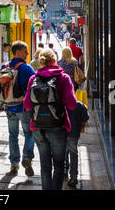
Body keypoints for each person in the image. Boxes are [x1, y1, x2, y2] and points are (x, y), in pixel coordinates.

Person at [24, 48, 77, 190]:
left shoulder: (33, 79)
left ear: (41, 62)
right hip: (58, 126)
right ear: (54, 61)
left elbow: (27, 104)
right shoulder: (64, 78)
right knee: (59, 165)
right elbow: (72, 104)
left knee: (45, 166)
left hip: (38, 127)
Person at [2, 40, 36, 176]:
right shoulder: (27, 69)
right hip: (23, 107)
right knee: (29, 133)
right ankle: (27, 157)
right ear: (17, 52)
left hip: (9, 107)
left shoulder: (5, 66)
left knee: (12, 136)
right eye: (25, 51)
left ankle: (13, 164)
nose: (27, 53)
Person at [65, 101, 89, 188]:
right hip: (74, 133)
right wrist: (82, 127)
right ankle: (73, 176)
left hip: (61, 133)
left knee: (63, 152)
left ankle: (64, 170)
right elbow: (85, 118)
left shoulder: (61, 102)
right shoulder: (80, 105)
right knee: (73, 154)